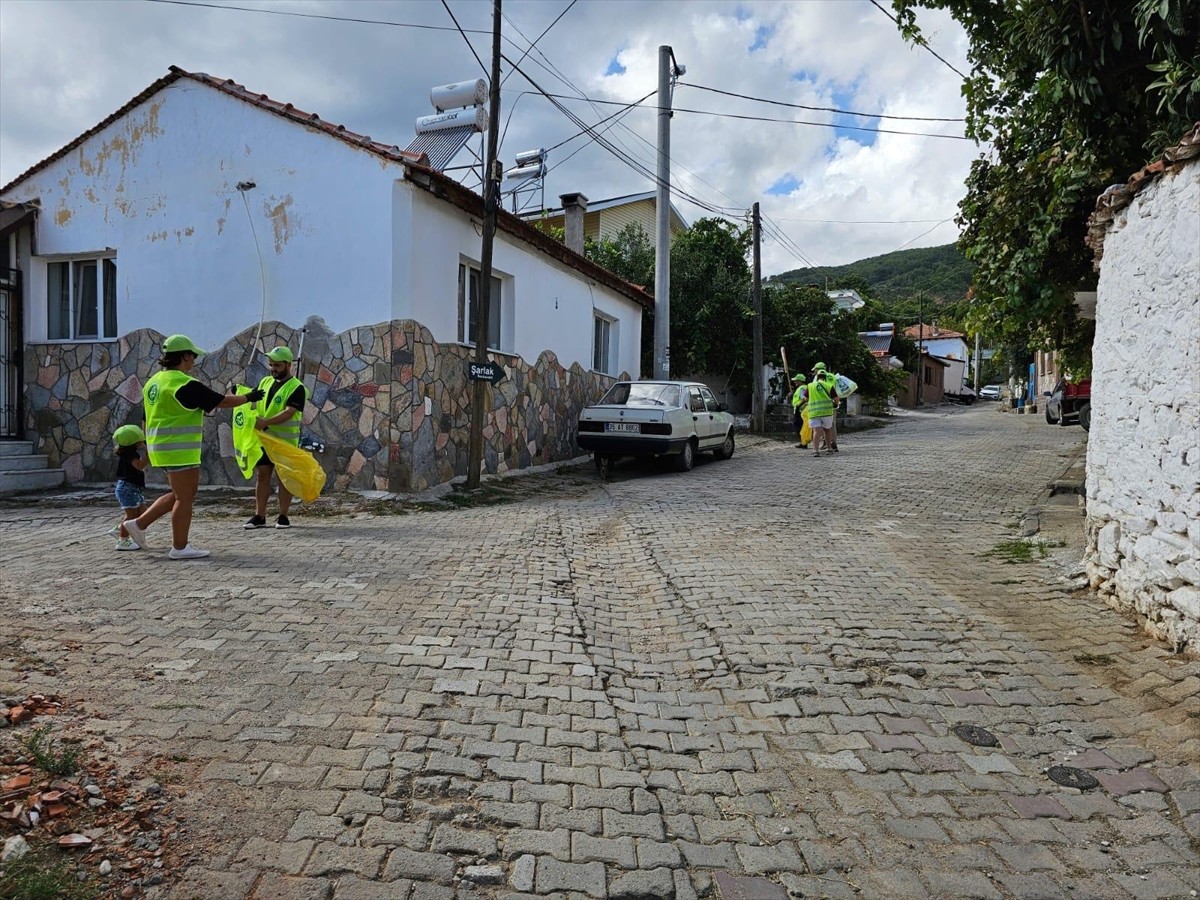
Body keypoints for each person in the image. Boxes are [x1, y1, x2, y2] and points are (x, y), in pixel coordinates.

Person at [123, 335, 263, 560]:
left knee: (183, 493)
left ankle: (139, 524)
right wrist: (249, 397)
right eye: (193, 356)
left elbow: (145, 417)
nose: (195, 360)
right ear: (185, 356)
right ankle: (179, 547)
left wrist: (148, 446)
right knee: (184, 497)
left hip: (161, 447)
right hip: (179, 448)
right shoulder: (184, 383)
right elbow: (221, 401)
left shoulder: (154, 383)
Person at [242, 346, 307, 530]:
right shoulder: (265, 382)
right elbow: (251, 397)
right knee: (262, 476)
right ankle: (259, 516)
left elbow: (289, 412)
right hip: (264, 440)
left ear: (288, 365)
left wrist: (266, 422)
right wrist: (238, 394)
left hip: (285, 443)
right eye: (271, 365)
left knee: (284, 479)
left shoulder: (297, 388)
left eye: (277, 365)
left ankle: (283, 516)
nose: (273, 369)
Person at [111, 424, 152, 551]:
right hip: (127, 489)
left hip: (133, 488)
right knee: (131, 516)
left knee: (143, 512)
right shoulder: (130, 454)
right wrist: (148, 454)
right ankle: (123, 540)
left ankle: (119, 529)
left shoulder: (126, 452)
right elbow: (139, 466)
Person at [806, 362, 839, 458]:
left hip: (814, 412)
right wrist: (835, 405)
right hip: (827, 411)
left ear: (817, 375)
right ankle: (830, 448)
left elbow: (806, 398)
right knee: (828, 429)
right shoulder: (831, 381)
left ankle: (816, 451)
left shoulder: (810, 385)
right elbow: (836, 398)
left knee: (816, 431)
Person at [790, 374, 808, 448]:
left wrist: (798, 406)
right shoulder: (803, 387)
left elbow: (804, 399)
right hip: (802, 409)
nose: (795, 382)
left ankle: (803, 442)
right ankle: (803, 442)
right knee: (800, 426)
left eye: (796, 380)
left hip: (800, 409)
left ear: (800, 381)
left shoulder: (802, 388)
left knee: (797, 426)